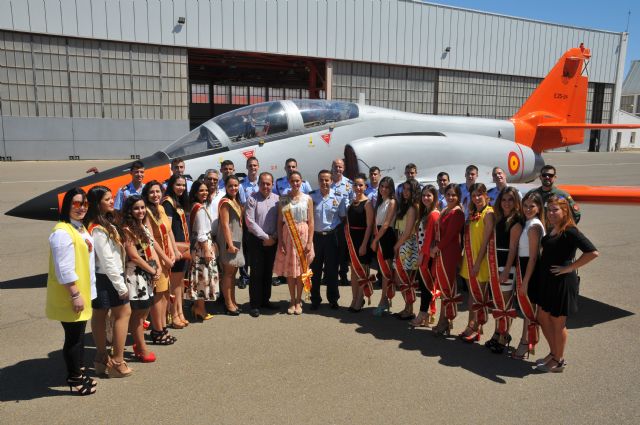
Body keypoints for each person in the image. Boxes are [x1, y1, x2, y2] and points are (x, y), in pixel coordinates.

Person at [534, 195, 598, 372]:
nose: (551, 213)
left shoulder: (570, 230)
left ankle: (558, 360)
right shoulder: (553, 229)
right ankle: (553, 352)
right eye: (549, 209)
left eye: (556, 209)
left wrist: (569, 268)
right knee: (542, 316)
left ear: (564, 211)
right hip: (548, 281)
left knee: (557, 322)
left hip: (562, 282)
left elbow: (592, 252)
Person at [46, 188, 97, 395]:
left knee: (79, 336)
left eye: (84, 204)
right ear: (67, 206)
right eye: (76, 204)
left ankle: (79, 370)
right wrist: (75, 294)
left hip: (83, 292)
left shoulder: (79, 228)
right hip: (72, 295)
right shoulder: (62, 232)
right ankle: (74, 378)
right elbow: (64, 268)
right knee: (73, 338)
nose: (81, 207)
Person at [85, 186, 133, 378]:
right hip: (108, 276)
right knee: (123, 313)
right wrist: (121, 286)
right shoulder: (98, 228)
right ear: (97, 204)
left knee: (100, 315)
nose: (112, 201)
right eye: (107, 199)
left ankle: (101, 358)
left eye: (112, 197)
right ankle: (117, 361)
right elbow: (107, 260)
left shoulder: (103, 223)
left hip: (103, 277)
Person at [484, 186, 524, 354]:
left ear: (515, 202)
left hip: (506, 264)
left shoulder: (516, 220)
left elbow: (513, 249)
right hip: (495, 261)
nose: (507, 203)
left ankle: (504, 334)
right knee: (498, 302)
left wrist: (507, 270)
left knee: (506, 303)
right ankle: (497, 332)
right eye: (504, 199)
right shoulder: (499, 218)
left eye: (510, 200)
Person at [122, 195, 160, 363]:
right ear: (129, 211)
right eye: (136, 208)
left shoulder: (142, 226)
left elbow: (151, 247)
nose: (140, 211)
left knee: (145, 310)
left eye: (143, 208)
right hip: (136, 276)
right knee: (138, 314)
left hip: (147, 274)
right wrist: (152, 270)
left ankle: (139, 343)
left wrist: (157, 268)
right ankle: (141, 348)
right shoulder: (127, 229)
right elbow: (134, 256)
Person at [274, 171, 315, 315]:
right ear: (289, 183)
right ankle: (292, 300)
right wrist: (281, 242)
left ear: (302, 182)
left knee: (301, 271)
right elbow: (279, 222)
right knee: (291, 272)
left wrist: (309, 242)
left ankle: (299, 300)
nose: (295, 184)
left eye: (298, 181)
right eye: (292, 181)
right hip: (288, 236)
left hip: (303, 236)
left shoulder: (307, 198)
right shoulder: (284, 199)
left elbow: (311, 222)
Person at [143, 180, 179, 344]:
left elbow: (169, 232)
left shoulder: (161, 208)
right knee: (158, 295)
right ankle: (157, 330)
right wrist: (164, 258)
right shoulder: (147, 213)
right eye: (152, 192)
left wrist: (173, 251)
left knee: (165, 293)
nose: (155, 195)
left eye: (157, 191)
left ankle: (163, 326)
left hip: (167, 255)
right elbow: (151, 239)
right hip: (156, 257)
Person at [511, 191, 545, 360]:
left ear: (539, 208)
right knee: (527, 310)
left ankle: (525, 343)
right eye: (525, 205)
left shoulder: (534, 226)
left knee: (528, 310)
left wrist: (525, 281)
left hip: (529, 270)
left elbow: (533, 257)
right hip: (523, 267)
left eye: (532, 206)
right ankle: (526, 342)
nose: (528, 209)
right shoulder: (527, 223)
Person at [459, 183, 495, 343]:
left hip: (481, 261)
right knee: (472, 297)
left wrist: (478, 263)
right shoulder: (474, 212)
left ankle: (478, 327)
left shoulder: (489, 213)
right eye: (474, 195)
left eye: (480, 194)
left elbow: (486, 241)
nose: (477, 198)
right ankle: (471, 324)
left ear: (486, 195)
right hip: (469, 258)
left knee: (479, 296)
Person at [430, 184, 465, 336]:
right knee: (444, 287)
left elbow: (451, 235)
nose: (450, 197)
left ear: (458, 197)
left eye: (454, 195)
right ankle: (444, 320)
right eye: (448, 194)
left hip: (448, 253)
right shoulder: (446, 210)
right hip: (442, 251)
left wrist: (437, 248)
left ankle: (445, 320)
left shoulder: (457, 213)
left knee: (447, 288)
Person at [309, 170, 347, 310]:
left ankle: (333, 299)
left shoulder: (339, 197)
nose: (324, 183)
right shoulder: (311, 197)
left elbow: (343, 218)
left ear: (331, 181)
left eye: (327, 180)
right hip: (316, 237)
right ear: (318, 181)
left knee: (331, 270)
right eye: (321, 180)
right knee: (315, 270)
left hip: (332, 237)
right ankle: (315, 299)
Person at [245, 172, 280, 317]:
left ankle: (265, 300)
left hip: (273, 240)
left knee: (268, 272)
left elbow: (282, 220)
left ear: (272, 184)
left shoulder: (278, 200)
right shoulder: (252, 199)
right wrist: (266, 237)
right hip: (257, 241)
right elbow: (250, 222)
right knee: (256, 273)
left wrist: (274, 237)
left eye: (268, 183)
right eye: (263, 183)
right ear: (259, 184)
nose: (266, 186)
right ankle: (255, 304)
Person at [162, 174, 191, 328]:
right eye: (178, 185)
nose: (181, 188)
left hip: (183, 245)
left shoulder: (178, 202)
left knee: (180, 283)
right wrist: (173, 249)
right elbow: (168, 230)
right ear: (172, 185)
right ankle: (173, 315)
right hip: (176, 248)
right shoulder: (168, 203)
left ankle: (180, 313)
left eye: (183, 185)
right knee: (174, 285)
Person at [187, 180, 218, 321]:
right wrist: (207, 249)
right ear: (195, 193)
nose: (204, 193)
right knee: (202, 279)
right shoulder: (198, 208)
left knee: (203, 278)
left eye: (206, 190)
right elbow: (200, 233)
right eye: (201, 191)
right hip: (201, 247)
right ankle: (200, 308)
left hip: (204, 244)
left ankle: (199, 307)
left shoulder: (200, 206)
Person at [392, 179, 421, 320]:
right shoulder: (405, 205)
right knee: (404, 279)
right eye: (404, 189)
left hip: (407, 246)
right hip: (403, 243)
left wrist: (397, 246)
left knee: (404, 279)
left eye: (409, 189)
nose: (405, 192)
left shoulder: (413, 207)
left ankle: (409, 309)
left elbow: (408, 231)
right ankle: (408, 307)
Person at [411, 185, 440, 327]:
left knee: (426, 287)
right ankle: (427, 314)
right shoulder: (426, 213)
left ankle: (422, 313)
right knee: (425, 286)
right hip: (423, 253)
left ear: (434, 197)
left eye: (429, 195)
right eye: (424, 196)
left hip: (427, 256)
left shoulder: (434, 214)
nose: (425, 198)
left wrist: (422, 255)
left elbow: (429, 238)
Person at [345, 173, 374, 312]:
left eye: (360, 185)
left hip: (362, 239)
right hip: (352, 240)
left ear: (365, 187)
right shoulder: (352, 201)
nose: (358, 187)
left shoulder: (367, 203)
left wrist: (364, 244)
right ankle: (354, 298)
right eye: (355, 185)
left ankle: (359, 299)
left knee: (361, 272)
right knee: (353, 272)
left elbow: (369, 225)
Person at [217, 174, 245, 315]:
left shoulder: (236, 200)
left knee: (233, 273)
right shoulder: (225, 202)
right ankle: (228, 304)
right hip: (230, 241)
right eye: (230, 186)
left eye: (235, 185)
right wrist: (229, 244)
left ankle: (233, 300)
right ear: (226, 187)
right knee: (228, 274)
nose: (233, 188)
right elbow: (225, 225)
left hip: (237, 240)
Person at [370, 176, 397, 316]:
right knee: (383, 270)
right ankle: (384, 300)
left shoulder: (391, 202)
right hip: (379, 236)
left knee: (386, 272)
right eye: (382, 186)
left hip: (386, 237)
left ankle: (383, 300)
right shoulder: (380, 202)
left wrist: (375, 240)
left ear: (391, 189)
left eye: (387, 187)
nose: (384, 189)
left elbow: (386, 224)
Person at [330, 158, 353, 286]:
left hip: (344, 222)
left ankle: (343, 274)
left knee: (343, 250)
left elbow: (353, 202)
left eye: (340, 167)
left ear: (343, 168)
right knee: (330, 250)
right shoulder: (327, 182)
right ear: (332, 167)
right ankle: (329, 275)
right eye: (336, 166)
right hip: (330, 222)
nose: (338, 169)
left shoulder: (349, 184)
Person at [204, 169, 225, 238]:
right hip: (203, 237)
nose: (212, 181)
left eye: (215, 179)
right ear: (205, 180)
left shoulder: (223, 196)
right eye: (209, 179)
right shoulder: (199, 196)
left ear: (218, 181)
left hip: (220, 236)